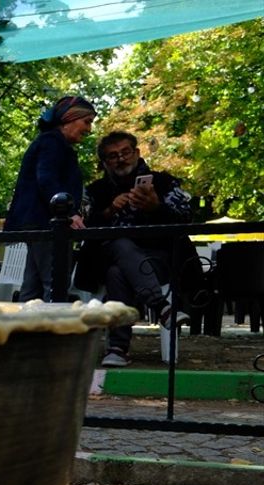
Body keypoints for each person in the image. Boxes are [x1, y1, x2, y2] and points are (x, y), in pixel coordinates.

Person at [80, 131, 201, 367]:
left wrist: (156, 207)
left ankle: (117, 347)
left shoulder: (163, 182)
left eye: (125, 152)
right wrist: (108, 212)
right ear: (105, 163)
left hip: (158, 260)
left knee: (118, 272)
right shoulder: (95, 191)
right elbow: (82, 227)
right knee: (119, 245)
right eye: (113, 156)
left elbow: (187, 217)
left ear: (136, 153)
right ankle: (163, 308)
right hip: (105, 260)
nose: (121, 159)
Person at [4, 96, 96, 302]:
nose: (89, 129)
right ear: (69, 118)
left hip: (37, 222)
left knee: (32, 286)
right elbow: (46, 178)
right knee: (55, 283)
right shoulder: (53, 143)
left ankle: (21, 331)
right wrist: (69, 214)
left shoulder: (50, 142)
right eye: (87, 122)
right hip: (47, 222)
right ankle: (51, 331)